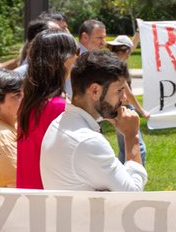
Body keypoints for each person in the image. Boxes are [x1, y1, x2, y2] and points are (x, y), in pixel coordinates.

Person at [40, 50, 147, 191]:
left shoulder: (58, 123)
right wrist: (132, 136)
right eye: (119, 90)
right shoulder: (88, 142)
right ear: (95, 91)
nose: (124, 98)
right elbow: (132, 195)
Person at [16, 29, 79, 189]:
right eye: (75, 52)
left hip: (29, 192)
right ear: (64, 59)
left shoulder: (29, 102)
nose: (77, 58)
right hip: (49, 197)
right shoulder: (57, 107)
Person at [104, 34, 148, 164]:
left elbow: (132, 45)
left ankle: (124, 176)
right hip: (124, 109)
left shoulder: (112, 64)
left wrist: (139, 34)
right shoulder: (118, 68)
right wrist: (142, 111)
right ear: (126, 51)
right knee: (138, 147)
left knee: (124, 148)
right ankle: (135, 177)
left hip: (117, 109)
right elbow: (128, 94)